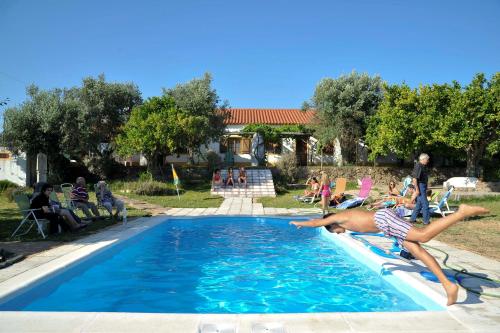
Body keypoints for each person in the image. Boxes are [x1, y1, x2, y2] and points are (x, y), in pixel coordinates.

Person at [290, 204, 489, 306]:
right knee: (417, 251)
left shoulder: (336, 218)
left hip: (384, 220)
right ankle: (448, 285)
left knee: (424, 236)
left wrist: (301, 223)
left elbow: (317, 222)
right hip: (386, 226)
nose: (340, 233)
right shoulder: (342, 219)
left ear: (332, 225)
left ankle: (461, 213)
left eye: (336, 232)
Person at [410, 153, 431, 224]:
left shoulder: (423, 166)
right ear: (423, 159)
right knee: (425, 204)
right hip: (420, 186)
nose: (428, 161)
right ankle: (426, 221)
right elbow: (414, 179)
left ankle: (412, 219)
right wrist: (417, 190)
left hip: (423, 186)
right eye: (427, 160)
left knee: (419, 204)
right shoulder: (418, 166)